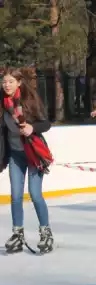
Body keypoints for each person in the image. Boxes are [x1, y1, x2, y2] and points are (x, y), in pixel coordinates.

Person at [0, 68, 54, 254]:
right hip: (15, 154)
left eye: (10, 82)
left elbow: (46, 123)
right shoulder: (3, 104)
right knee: (15, 196)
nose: (6, 85)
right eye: (4, 82)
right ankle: (18, 234)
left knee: (34, 193)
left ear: (19, 83)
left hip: (33, 153)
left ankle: (46, 233)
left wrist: (32, 127)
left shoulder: (29, 100)